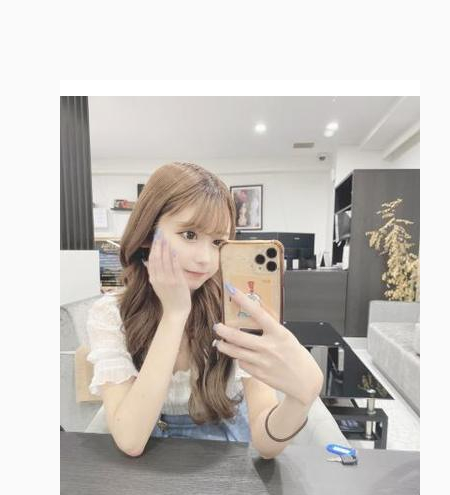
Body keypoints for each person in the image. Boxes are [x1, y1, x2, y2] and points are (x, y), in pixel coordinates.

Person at [86, 162, 324, 458]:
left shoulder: (235, 308)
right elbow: (131, 440)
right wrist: (174, 314)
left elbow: (266, 447)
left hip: (224, 451)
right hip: (148, 453)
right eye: (189, 235)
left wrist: (300, 400)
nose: (206, 259)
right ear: (147, 234)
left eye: (218, 242)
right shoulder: (110, 314)